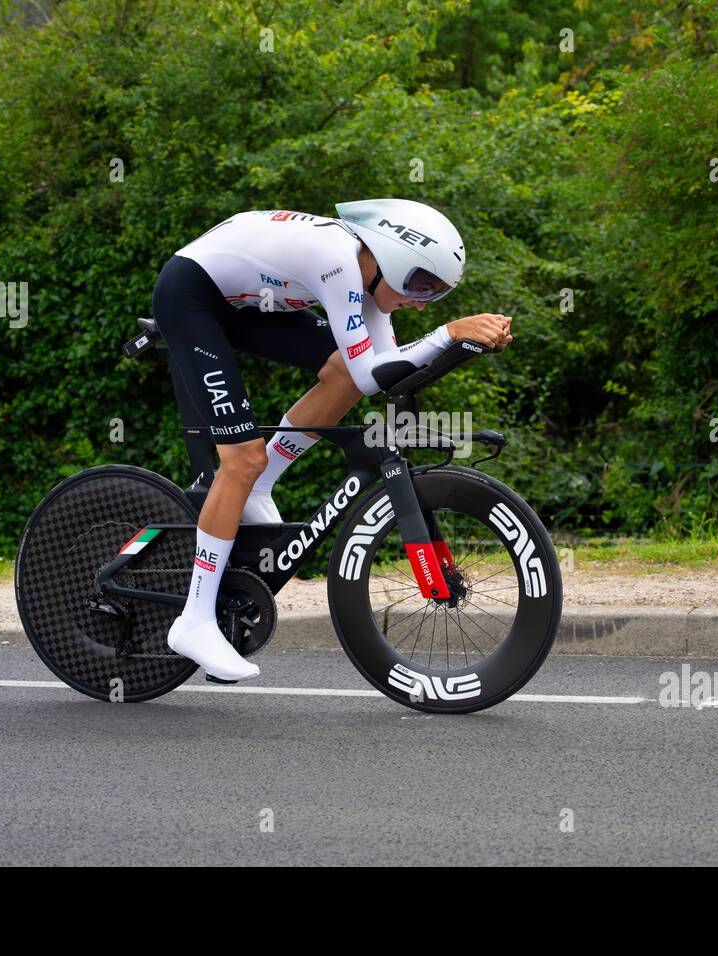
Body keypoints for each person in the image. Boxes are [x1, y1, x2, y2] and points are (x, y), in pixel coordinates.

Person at [150, 199, 512, 681]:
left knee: (340, 373)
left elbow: (382, 373)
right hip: (191, 297)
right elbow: (373, 374)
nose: (423, 302)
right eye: (422, 285)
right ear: (391, 258)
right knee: (242, 460)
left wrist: (458, 345)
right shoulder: (338, 260)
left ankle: (260, 487)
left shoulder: (368, 279)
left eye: (438, 294)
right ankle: (193, 620)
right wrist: (448, 331)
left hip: (243, 304)